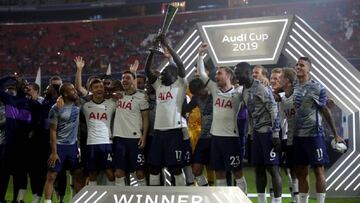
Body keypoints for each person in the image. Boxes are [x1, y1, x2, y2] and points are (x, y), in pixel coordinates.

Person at [197, 43, 247, 192]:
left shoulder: (239, 92)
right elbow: (201, 74)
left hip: (231, 138)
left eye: (220, 73)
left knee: (237, 172)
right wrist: (200, 55)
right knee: (219, 172)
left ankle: (242, 199)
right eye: (216, 73)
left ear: (229, 75)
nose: (216, 76)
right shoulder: (214, 88)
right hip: (216, 138)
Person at [292, 57, 343, 203]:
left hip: (314, 136)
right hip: (297, 136)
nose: (298, 67)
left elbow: (325, 110)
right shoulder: (293, 85)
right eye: (297, 65)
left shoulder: (317, 87)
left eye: (302, 65)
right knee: (301, 172)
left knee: (319, 171)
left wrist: (335, 134)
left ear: (309, 69)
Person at [234, 62, 282, 203]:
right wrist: (250, 134)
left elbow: (274, 110)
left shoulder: (261, 88)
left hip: (268, 133)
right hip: (255, 135)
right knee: (258, 169)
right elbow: (249, 113)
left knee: (273, 169)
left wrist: (275, 134)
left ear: (247, 73)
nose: (236, 76)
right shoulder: (244, 90)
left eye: (238, 73)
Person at [145, 34, 187, 186]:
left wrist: (167, 45)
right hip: (158, 132)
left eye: (165, 72)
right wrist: (153, 51)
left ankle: (182, 197)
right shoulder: (158, 85)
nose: (161, 74)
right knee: (154, 168)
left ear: (174, 75)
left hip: (174, 131)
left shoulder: (180, 84)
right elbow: (147, 70)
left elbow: (180, 65)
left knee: (176, 168)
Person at [0, 74, 41, 203]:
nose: (24, 85)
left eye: (26, 84)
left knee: (20, 173)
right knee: (4, 173)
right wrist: (8, 77)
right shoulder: (8, 98)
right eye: (22, 84)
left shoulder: (33, 104)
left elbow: (39, 120)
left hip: (24, 144)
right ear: (16, 86)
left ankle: (17, 200)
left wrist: (33, 130)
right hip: (10, 143)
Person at [43, 83, 83, 203]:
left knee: (77, 174)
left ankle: (76, 200)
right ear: (65, 94)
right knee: (52, 176)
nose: (75, 91)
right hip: (59, 146)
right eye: (72, 90)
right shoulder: (56, 108)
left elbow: (87, 94)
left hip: (73, 146)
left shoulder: (77, 106)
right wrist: (54, 152)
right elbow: (52, 131)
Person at [112, 70, 149, 186]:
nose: (124, 80)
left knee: (139, 173)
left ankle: (143, 198)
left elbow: (146, 118)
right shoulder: (117, 96)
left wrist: (144, 136)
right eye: (123, 78)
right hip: (119, 138)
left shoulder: (142, 97)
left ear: (134, 80)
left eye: (128, 78)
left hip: (135, 139)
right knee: (118, 173)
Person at [81, 78, 116, 186]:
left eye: (101, 87)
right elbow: (77, 88)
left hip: (107, 143)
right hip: (91, 143)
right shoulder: (85, 106)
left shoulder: (111, 103)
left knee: (110, 173)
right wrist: (79, 69)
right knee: (92, 173)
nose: (99, 89)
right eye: (96, 87)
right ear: (91, 89)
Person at [183, 78, 213, 186]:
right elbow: (185, 108)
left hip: (217, 136)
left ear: (204, 87)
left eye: (199, 92)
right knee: (196, 170)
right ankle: (206, 192)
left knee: (221, 170)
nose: (199, 95)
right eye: (195, 94)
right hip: (203, 137)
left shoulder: (214, 94)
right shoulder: (196, 98)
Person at [278, 68, 299, 203]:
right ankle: (295, 198)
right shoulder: (281, 97)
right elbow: (281, 119)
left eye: (281, 77)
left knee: (299, 170)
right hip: (285, 137)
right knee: (287, 169)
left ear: (289, 81)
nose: (278, 80)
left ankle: (299, 199)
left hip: (299, 137)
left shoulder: (298, 95)